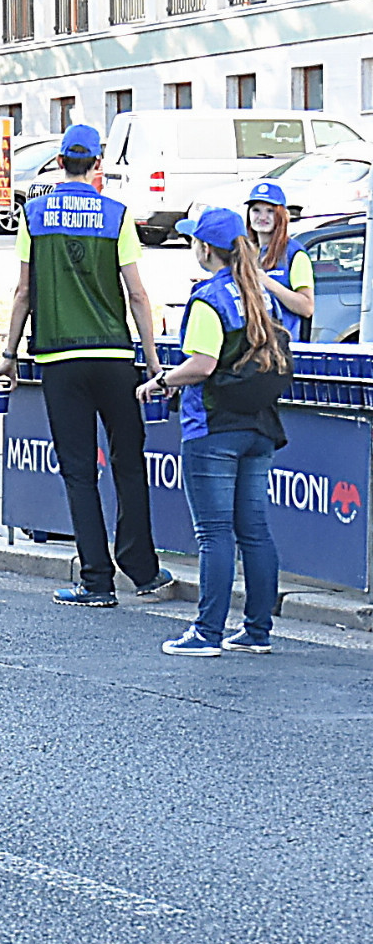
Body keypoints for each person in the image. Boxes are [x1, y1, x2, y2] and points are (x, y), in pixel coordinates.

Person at [0, 121, 173, 608]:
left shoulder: (34, 214)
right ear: (97, 165)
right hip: (114, 356)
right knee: (128, 462)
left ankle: (96, 580)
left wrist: (9, 355)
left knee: (78, 470)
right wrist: (154, 361)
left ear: (58, 162)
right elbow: (137, 294)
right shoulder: (117, 214)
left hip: (59, 357)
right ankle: (143, 570)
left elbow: (24, 292)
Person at [137, 206, 288, 656]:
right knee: (254, 531)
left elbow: (202, 365)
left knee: (214, 533)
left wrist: (160, 381)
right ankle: (257, 630)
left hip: (214, 428)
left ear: (205, 248)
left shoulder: (208, 298)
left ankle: (207, 632)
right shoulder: (259, 292)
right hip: (259, 425)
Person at [241, 181, 314, 339]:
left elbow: (307, 308)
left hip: (282, 345)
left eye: (270, 211)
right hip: (251, 344)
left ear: (281, 215)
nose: (262, 217)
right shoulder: (245, 252)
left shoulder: (295, 254)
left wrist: (267, 282)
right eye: (256, 210)